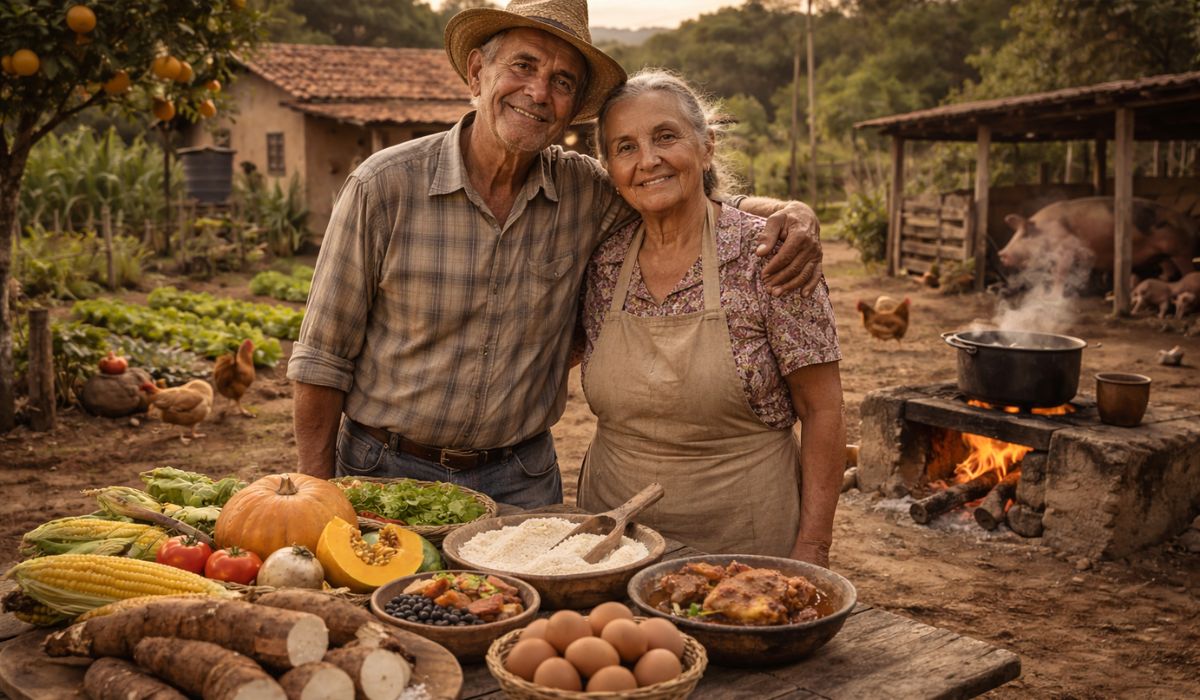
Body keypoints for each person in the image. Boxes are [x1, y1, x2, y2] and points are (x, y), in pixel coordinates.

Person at [288, 0, 825, 509]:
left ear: (571, 107)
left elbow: (673, 187)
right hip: (385, 469)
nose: (539, 92)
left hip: (520, 478)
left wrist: (789, 212)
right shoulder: (383, 187)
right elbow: (322, 359)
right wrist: (316, 496)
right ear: (477, 73)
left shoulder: (586, 191)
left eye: (562, 80)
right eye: (523, 66)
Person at [576, 70, 845, 566]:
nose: (648, 160)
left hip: (743, 541)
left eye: (665, 137)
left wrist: (812, 547)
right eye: (626, 147)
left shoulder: (769, 253)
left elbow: (824, 411)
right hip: (613, 541)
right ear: (609, 167)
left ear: (706, 147)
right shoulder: (603, 261)